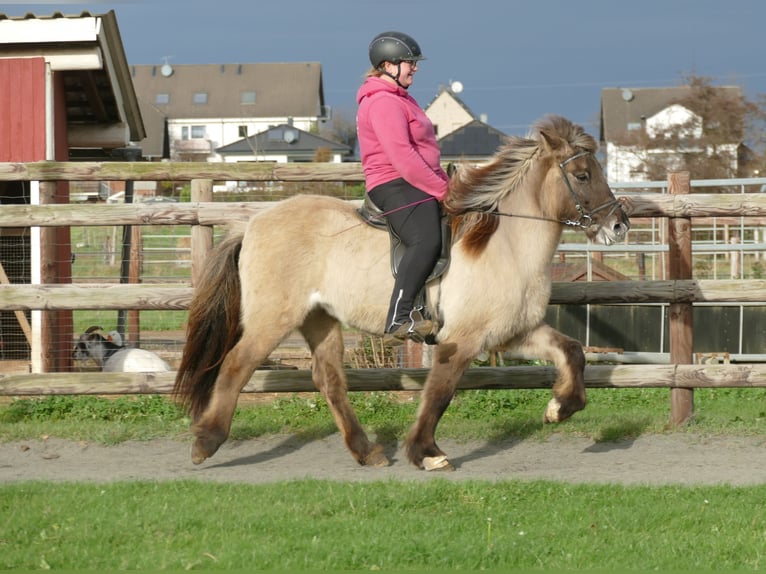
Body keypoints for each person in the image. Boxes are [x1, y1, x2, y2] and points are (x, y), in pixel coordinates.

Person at [356, 31, 449, 346]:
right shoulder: (383, 102)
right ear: (388, 65)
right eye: (410, 62)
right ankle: (399, 316)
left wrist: (447, 184)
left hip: (414, 180)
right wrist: (443, 191)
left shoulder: (401, 97)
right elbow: (404, 159)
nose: (415, 68)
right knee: (426, 239)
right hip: (394, 182)